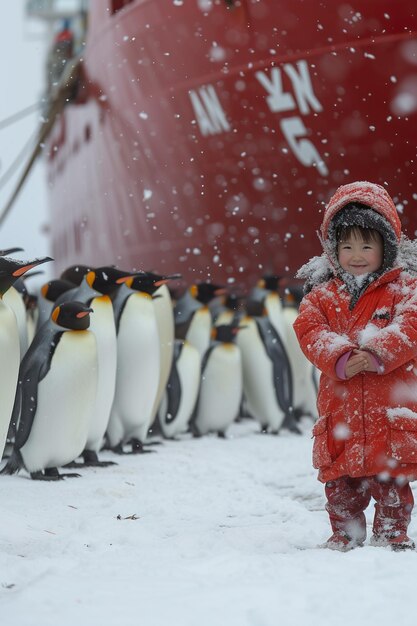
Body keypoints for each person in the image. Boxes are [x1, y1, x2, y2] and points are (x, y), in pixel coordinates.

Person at [293, 180, 417, 551]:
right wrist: (340, 356)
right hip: (341, 412)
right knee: (341, 485)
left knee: (392, 483)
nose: (356, 254)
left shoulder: (405, 289)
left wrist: (378, 352)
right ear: (333, 249)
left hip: (389, 412)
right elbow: (309, 330)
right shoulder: (323, 295)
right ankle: (346, 533)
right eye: (346, 245)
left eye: (367, 244)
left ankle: (392, 534)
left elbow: (411, 324)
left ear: (387, 246)